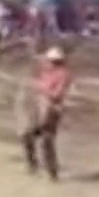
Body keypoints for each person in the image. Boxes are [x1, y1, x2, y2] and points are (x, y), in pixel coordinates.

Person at [20, 46, 72, 181]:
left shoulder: (63, 75)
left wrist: (39, 87)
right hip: (40, 108)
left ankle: (52, 173)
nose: (47, 63)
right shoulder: (46, 72)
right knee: (27, 135)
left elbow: (56, 94)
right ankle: (33, 165)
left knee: (47, 141)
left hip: (52, 111)